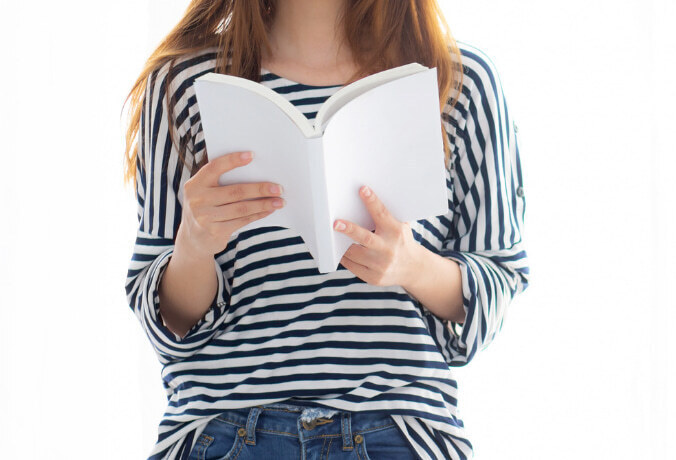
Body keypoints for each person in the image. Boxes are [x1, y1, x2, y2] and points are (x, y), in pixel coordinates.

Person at [122, 0, 530, 459]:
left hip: (399, 432)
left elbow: (494, 292)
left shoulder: (458, 81)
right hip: (227, 429)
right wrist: (194, 245)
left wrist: (413, 267)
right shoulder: (184, 83)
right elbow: (167, 325)